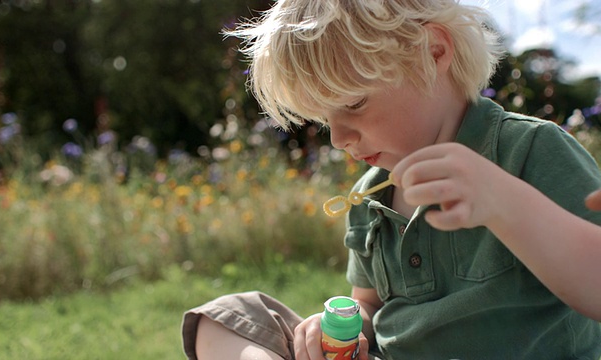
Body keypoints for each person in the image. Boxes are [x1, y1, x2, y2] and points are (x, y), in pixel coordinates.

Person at [181, 0, 601, 359]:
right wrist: (344, 323)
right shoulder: (368, 197)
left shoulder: (528, 151)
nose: (339, 138)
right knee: (228, 316)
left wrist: (506, 202)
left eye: (354, 103)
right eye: (326, 118)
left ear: (433, 51)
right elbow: (368, 303)